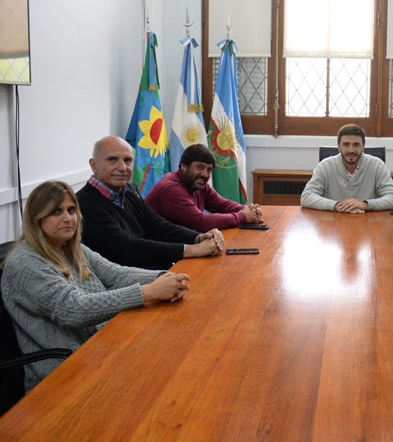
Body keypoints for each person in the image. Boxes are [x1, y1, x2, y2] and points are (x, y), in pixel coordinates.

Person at [0, 181, 192, 391]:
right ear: (37, 219)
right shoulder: (25, 264)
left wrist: (165, 278)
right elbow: (73, 308)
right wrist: (148, 291)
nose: (68, 218)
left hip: (100, 345)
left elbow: (115, 274)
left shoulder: (69, 246)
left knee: (174, 356)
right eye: (56, 211)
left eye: (71, 210)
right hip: (63, 374)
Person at [76, 135, 224, 270]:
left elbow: (158, 226)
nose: (122, 168)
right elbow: (127, 248)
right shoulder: (85, 204)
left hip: (149, 269)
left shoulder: (128, 190)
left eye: (127, 160)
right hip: (124, 282)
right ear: (94, 165)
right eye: (112, 160)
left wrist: (198, 237)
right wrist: (193, 249)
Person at [145, 144, 263, 232]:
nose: (206, 174)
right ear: (183, 166)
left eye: (209, 170)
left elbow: (221, 204)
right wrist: (243, 216)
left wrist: (247, 209)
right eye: (200, 167)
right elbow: (202, 222)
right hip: (157, 253)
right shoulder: (171, 188)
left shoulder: (197, 184)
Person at [300, 124, 393, 213]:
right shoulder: (325, 166)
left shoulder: (377, 165)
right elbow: (306, 197)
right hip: (333, 224)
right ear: (339, 146)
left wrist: (365, 205)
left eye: (356, 145)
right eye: (346, 144)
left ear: (363, 146)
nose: (351, 150)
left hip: (368, 224)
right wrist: (336, 205)